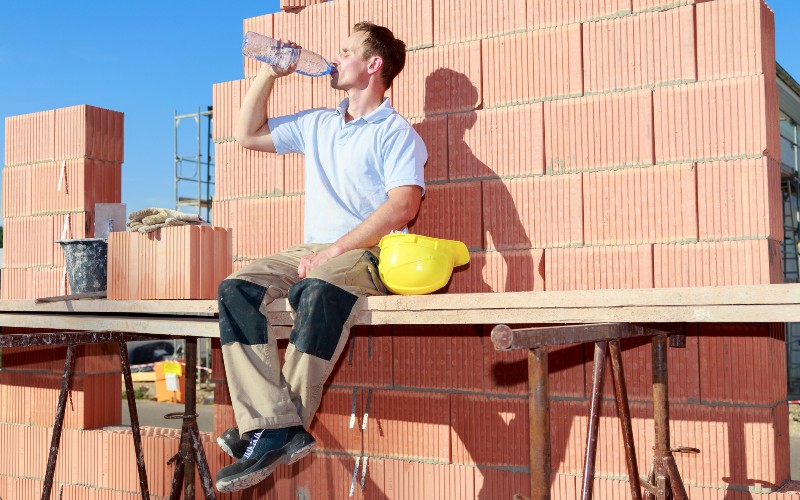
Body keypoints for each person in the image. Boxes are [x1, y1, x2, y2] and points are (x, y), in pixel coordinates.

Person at [214, 22, 427, 493]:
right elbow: (247, 135)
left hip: (369, 253)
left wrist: (335, 250)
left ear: (373, 65)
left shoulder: (396, 134)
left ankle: (271, 426)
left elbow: (403, 206)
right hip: (312, 250)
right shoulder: (319, 123)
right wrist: (272, 72)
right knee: (236, 289)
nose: (335, 58)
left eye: (347, 51)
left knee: (317, 289)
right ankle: (276, 425)